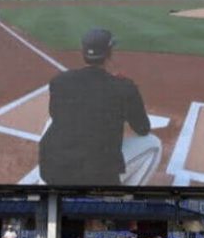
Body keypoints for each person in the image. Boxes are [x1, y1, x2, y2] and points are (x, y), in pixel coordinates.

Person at [39, 28, 151, 186]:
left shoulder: (60, 81)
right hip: (97, 178)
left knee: (55, 125)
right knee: (154, 144)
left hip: (51, 170)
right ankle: (120, 199)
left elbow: (55, 114)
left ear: (83, 53)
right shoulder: (124, 87)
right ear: (109, 54)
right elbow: (143, 129)